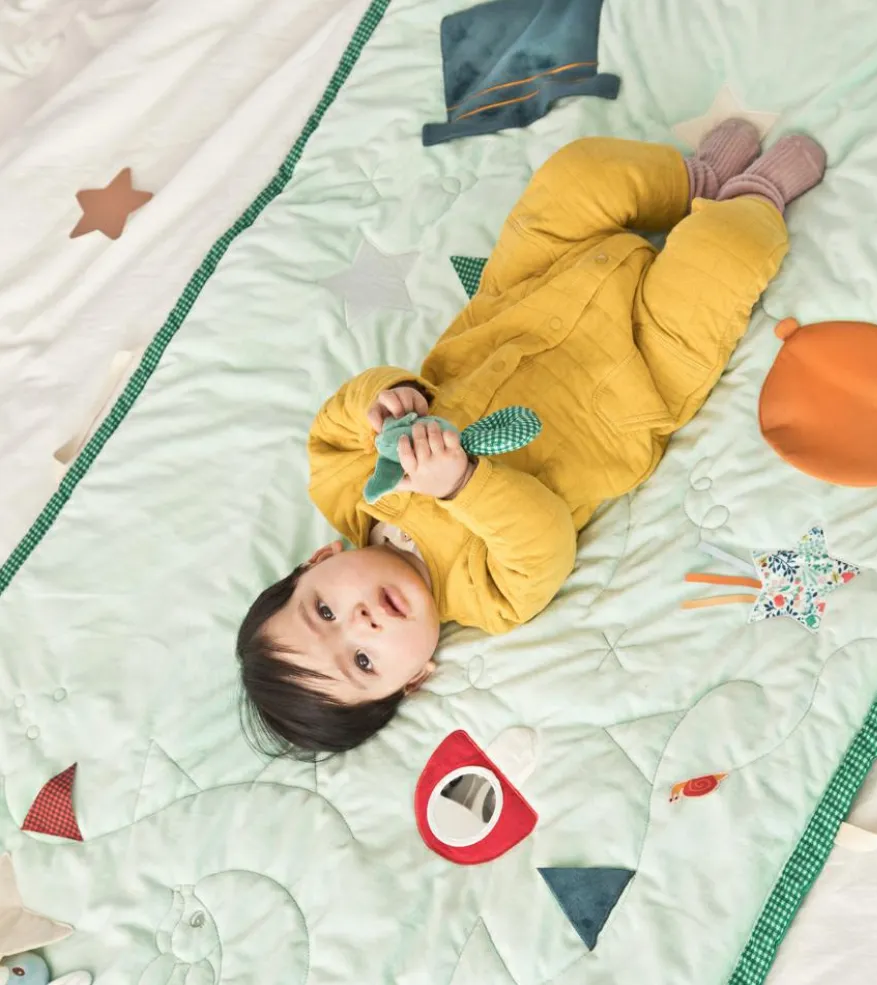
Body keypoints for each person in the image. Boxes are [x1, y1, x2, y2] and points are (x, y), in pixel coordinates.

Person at [237, 121, 826, 754]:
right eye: (363, 662)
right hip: (639, 370)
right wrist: (460, 485)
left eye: (325, 611)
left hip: (521, 295)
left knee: (581, 174)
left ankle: (696, 179)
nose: (362, 623)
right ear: (415, 680)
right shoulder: (488, 598)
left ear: (320, 561)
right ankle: (754, 196)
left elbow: (335, 422)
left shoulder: (346, 488)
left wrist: (386, 400)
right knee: (725, 252)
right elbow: (542, 540)